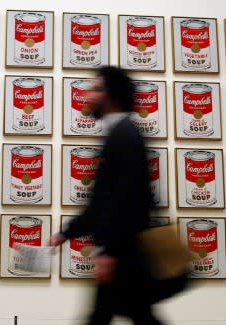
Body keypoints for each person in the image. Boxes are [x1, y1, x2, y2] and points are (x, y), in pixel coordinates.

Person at [49, 66, 161, 325]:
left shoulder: (125, 135)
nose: (89, 95)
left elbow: (128, 199)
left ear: (112, 95)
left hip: (124, 254)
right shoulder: (118, 133)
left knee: (108, 316)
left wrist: (109, 251)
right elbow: (103, 200)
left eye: (96, 89)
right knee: (135, 315)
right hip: (124, 252)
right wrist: (66, 233)